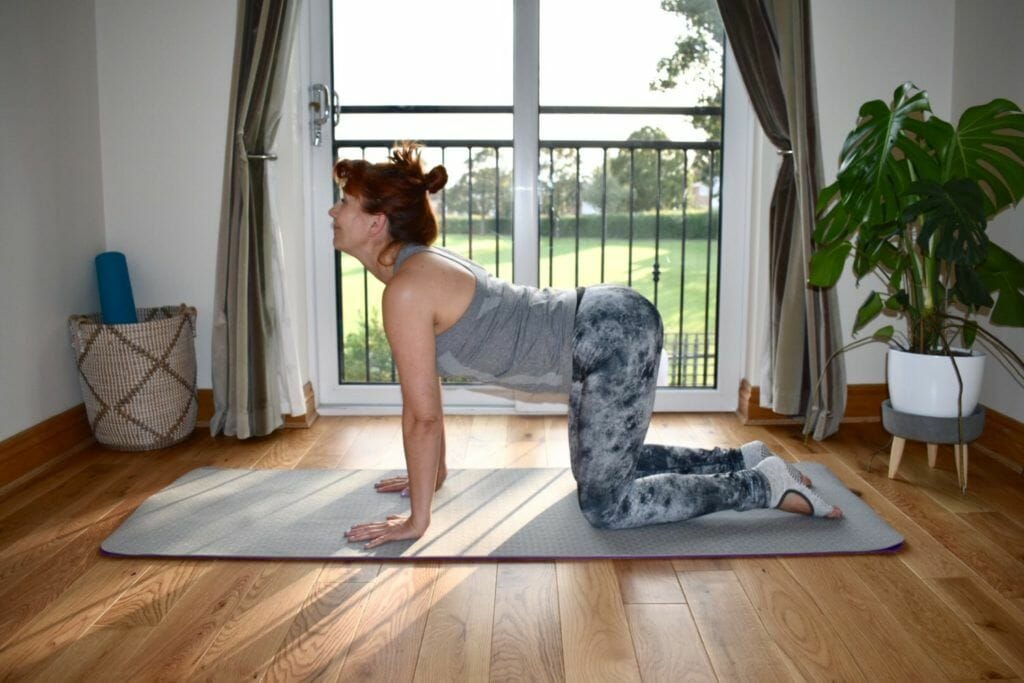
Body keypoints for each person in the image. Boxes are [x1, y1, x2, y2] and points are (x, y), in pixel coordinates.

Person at [334, 143, 842, 549]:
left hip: (606, 338)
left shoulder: (406, 289)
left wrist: (418, 521)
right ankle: (740, 460)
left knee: (606, 505)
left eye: (345, 201)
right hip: (603, 321)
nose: (333, 211)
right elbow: (430, 406)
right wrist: (434, 475)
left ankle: (765, 487)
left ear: (376, 222)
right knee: (603, 471)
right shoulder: (421, 267)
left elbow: (421, 417)